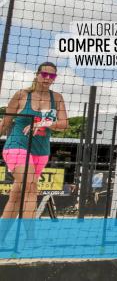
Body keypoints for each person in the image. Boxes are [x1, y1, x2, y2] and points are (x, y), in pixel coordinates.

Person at [1, 62, 69, 230]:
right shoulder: (21, 95)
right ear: (37, 74)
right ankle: (29, 241)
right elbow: (5, 124)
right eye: (44, 74)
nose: (47, 78)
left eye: (51, 76)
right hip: (17, 145)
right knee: (31, 188)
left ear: (55, 78)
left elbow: (64, 123)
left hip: (40, 151)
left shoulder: (57, 98)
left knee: (16, 196)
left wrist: (42, 124)